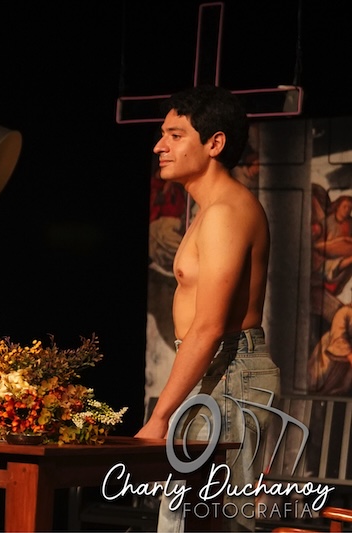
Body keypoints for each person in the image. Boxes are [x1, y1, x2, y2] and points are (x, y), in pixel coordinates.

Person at [134, 86, 280, 532]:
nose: (159, 146)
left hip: (228, 373)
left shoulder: (226, 213)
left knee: (206, 522)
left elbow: (210, 326)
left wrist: (158, 418)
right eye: (162, 134)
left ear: (215, 143)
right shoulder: (210, 210)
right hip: (215, 372)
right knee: (185, 519)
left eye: (175, 135)